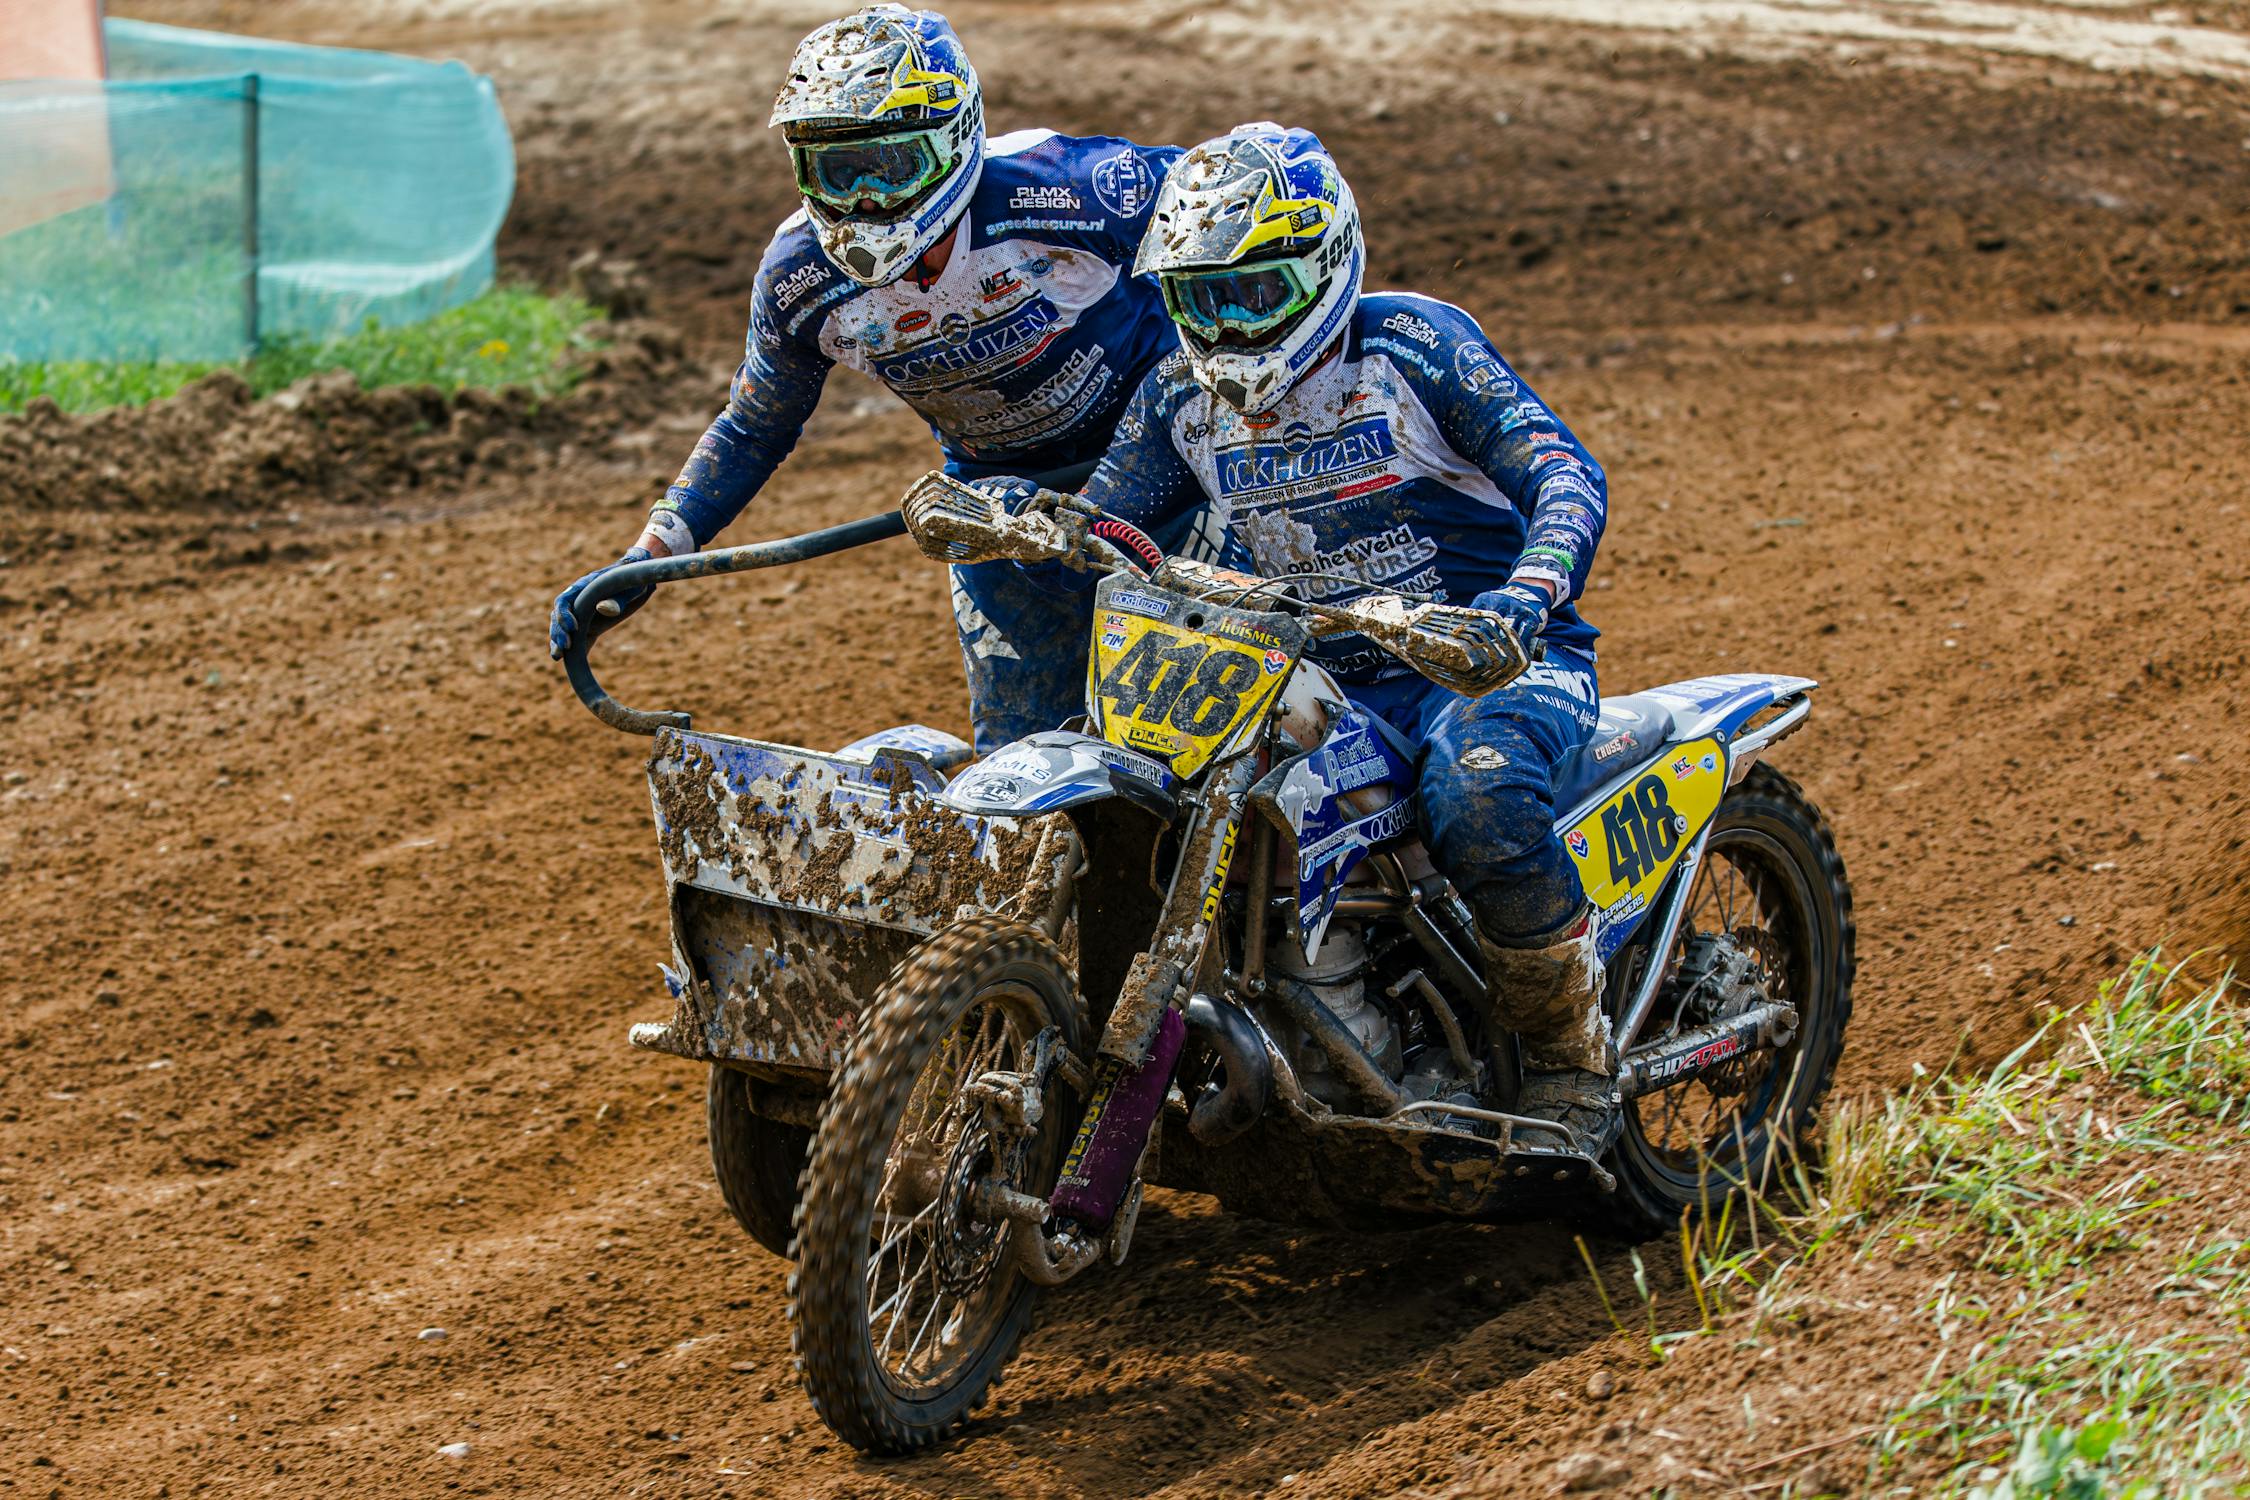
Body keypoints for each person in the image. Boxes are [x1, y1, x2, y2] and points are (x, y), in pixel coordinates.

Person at [1021, 124, 1619, 1145]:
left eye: (1252, 292)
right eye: (1200, 297)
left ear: (1324, 264)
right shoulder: (1178, 393)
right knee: (1136, 783)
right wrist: (1036, 521)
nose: (1226, 324)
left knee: (1476, 793)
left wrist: (1525, 598)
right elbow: (1110, 515)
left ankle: (1571, 1058)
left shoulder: (1412, 348)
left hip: (1478, 664)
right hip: (1296, 672)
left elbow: (1563, 472)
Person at [546, 4, 1190, 751]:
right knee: (1025, 761)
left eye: (888, 168)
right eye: (835, 172)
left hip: (1170, 470)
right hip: (996, 514)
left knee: (1200, 732)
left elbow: (1247, 244)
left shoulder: (1075, 191)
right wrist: (650, 556)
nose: (864, 204)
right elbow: (756, 423)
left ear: (951, 139)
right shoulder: (801, 278)